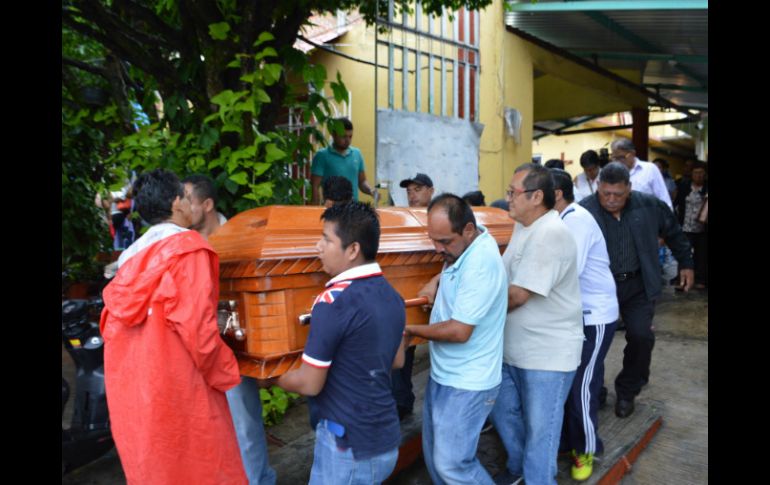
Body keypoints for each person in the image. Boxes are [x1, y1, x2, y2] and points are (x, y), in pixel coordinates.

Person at [99, 169, 247, 484]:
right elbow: (199, 332)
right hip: (182, 385)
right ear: (177, 202)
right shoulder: (187, 250)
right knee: (204, 467)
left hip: (136, 391)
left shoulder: (129, 260)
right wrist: (227, 372)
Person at [270, 202, 406, 485]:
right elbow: (397, 361)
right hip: (386, 437)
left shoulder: (333, 301)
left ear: (353, 249)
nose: (318, 247)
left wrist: (270, 379)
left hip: (348, 446)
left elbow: (310, 383)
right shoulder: (393, 295)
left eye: (326, 239)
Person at [489, 164, 583, 485]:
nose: (508, 199)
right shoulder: (524, 227)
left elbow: (516, 296)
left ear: (536, 196)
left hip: (548, 357)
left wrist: (469, 316)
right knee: (503, 411)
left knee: (542, 433)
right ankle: (518, 468)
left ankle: (538, 479)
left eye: (513, 193)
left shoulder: (550, 233)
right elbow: (501, 277)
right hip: (513, 350)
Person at [405, 194, 507, 484]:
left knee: (453, 465)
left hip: (468, 382)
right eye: (433, 240)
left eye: (444, 242)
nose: (438, 249)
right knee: (437, 461)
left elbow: (459, 331)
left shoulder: (480, 263)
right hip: (446, 374)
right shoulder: (463, 249)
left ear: (468, 230)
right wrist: (435, 283)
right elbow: (452, 267)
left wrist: (412, 330)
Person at [580, 162, 694, 419]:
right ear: (598, 187)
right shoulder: (584, 211)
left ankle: (627, 391)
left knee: (642, 337)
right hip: (598, 288)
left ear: (629, 189)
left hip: (638, 285)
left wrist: (686, 264)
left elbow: (675, 233)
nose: (610, 200)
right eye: (605, 193)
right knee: (592, 343)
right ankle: (595, 392)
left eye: (618, 195)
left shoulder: (649, 206)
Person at [183, 174, 276, 485]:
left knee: (244, 425)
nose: (181, 207)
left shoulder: (238, 236)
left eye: (187, 200)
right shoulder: (184, 243)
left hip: (236, 348)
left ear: (206, 204)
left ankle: (258, 480)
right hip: (199, 347)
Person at [551, 169, 619, 481]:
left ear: (555, 195)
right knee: (569, 382)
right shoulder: (560, 219)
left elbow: (567, 271)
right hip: (575, 316)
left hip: (595, 316)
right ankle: (569, 441)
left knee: (582, 385)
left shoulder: (575, 219)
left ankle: (587, 448)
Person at [388, 172, 436, 420]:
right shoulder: (400, 219)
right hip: (409, 292)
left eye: (417, 189)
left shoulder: (440, 218)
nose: (412, 194)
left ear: (431, 190)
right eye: (409, 190)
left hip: (435, 292)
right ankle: (402, 400)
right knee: (404, 346)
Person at [310, 117, 374, 204]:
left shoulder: (357, 153)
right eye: (344, 136)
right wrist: (315, 211)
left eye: (350, 136)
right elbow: (315, 186)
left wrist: (371, 191)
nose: (347, 140)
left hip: (353, 210)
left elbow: (362, 182)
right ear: (333, 135)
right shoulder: (322, 156)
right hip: (331, 210)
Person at [609, 139, 672, 209]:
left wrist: (668, 218)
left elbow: (663, 197)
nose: (617, 161)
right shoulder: (612, 172)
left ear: (632, 154)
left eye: (620, 157)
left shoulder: (649, 169)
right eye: (614, 158)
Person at [673, 161, 708, 289]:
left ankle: (700, 280)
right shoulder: (684, 187)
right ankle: (682, 279)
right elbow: (676, 204)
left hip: (703, 229)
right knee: (684, 253)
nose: (698, 175)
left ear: (705, 175)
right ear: (691, 174)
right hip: (686, 227)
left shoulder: (706, 188)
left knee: (702, 255)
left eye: (701, 173)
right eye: (696, 173)